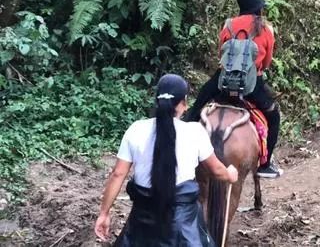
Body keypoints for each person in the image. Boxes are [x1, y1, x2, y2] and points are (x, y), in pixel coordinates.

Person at [94, 74, 238, 246]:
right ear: (184, 104)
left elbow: (118, 174)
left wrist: (104, 213)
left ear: (157, 101)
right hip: (182, 226)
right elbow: (216, 171)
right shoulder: (195, 132)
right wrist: (230, 175)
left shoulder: (136, 129)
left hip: (142, 223)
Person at [186, 0, 282, 179]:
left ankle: (182, 144)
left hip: (224, 79)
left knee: (198, 105)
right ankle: (265, 164)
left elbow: (221, 53)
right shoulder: (266, 28)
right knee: (274, 115)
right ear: (258, 8)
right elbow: (266, 62)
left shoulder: (229, 24)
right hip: (251, 84)